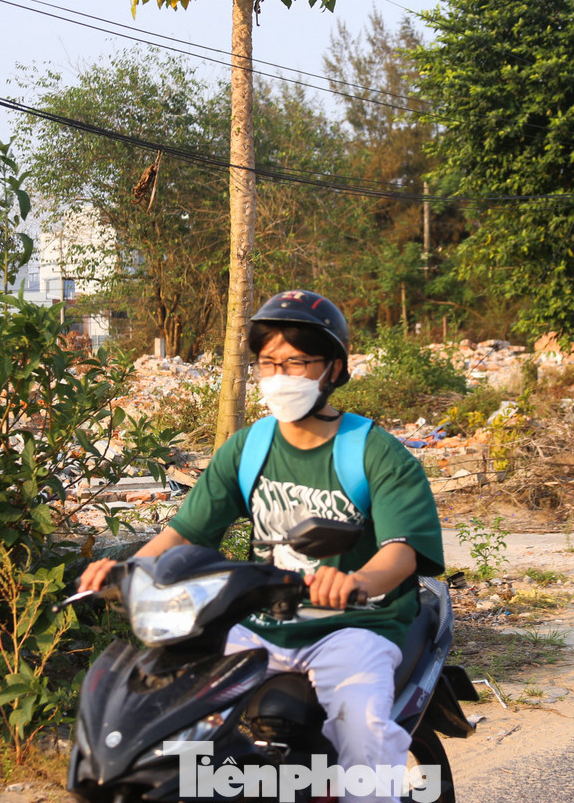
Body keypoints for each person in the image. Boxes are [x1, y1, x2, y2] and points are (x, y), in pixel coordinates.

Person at [78, 289, 444, 803]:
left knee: (362, 732)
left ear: (333, 369)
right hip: (262, 624)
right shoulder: (248, 447)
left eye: (296, 362)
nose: (280, 376)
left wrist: (354, 581)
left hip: (353, 627)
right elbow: (186, 530)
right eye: (269, 363)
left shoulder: (374, 451)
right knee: (187, 734)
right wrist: (125, 569)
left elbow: (401, 552)